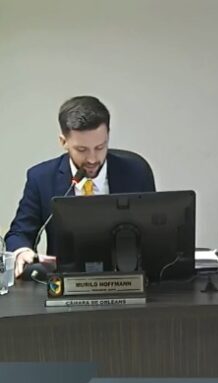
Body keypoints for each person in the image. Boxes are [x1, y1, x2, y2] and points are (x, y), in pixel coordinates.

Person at [5, 95, 156, 278]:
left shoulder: (136, 172)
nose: (92, 159)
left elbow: (154, 235)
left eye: (100, 147)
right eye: (82, 150)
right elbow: (19, 233)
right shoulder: (41, 178)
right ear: (64, 142)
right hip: (65, 281)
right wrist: (22, 252)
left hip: (128, 278)